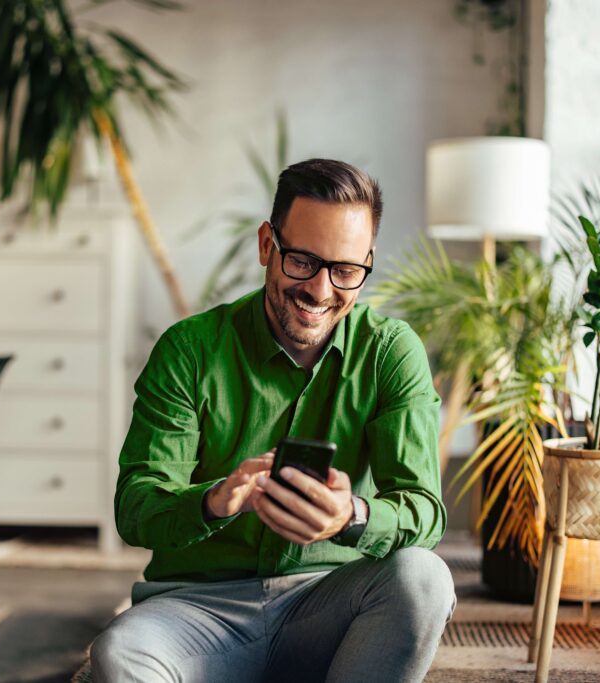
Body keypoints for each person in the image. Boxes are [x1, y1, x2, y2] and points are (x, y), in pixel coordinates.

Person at [91, 159, 454, 683]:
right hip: (196, 613)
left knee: (424, 577)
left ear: (367, 263)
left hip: (330, 607)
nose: (322, 292)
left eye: (346, 270)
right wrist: (215, 501)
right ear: (267, 246)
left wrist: (349, 516)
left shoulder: (391, 353)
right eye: (303, 262)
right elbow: (135, 508)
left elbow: (425, 511)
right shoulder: (189, 351)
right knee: (119, 654)